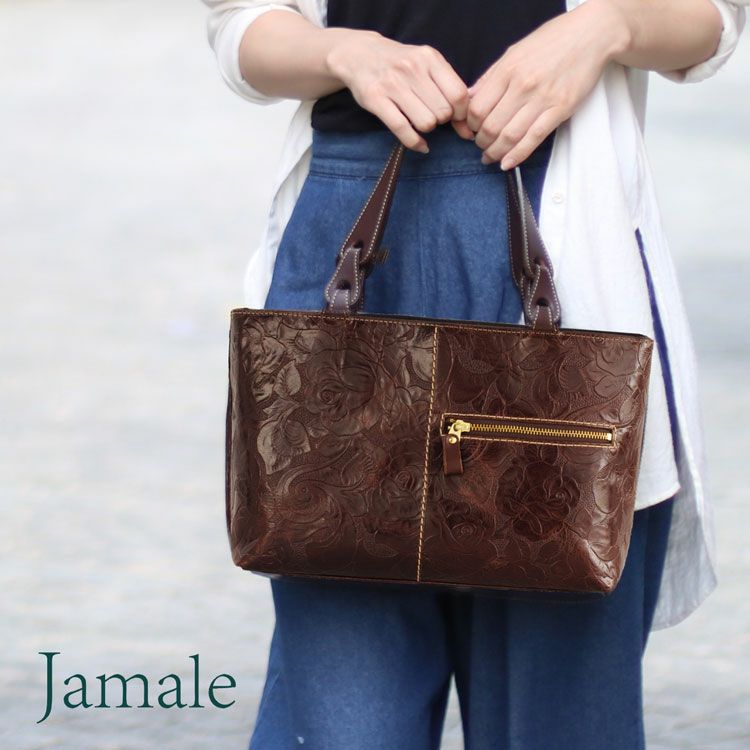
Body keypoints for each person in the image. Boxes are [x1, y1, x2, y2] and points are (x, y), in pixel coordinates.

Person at [202, 1, 747, 747]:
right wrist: (345, 54)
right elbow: (242, 23)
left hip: (564, 242)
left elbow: (714, 18)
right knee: (344, 723)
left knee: (558, 718)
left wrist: (604, 27)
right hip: (351, 238)